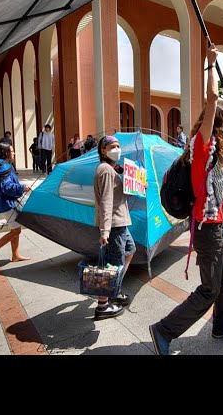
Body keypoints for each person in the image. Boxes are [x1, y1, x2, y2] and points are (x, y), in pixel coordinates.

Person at [149, 41, 223, 355]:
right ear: (215, 124)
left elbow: (219, 189)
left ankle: (222, 326)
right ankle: (164, 330)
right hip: (208, 231)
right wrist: (210, 63)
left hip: (214, 226)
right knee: (209, 289)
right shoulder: (202, 145)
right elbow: (213, 97)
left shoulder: (215, 158)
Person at [91, 135, 140, 320]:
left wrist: (134, 185)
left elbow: (118, 195)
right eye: (113, 146)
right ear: (103, 150)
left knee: (129, 251)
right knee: (113, 264)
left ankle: (115, 290)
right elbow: (106, 201)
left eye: (119, 145)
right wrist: (105, 231)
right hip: (113, 225)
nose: (117, 149)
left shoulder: (112, 169)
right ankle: (103, 305)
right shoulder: (105, 170)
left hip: (121, 222)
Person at [0, 143, 31, 265]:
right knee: (16, 231)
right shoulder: (3, 166)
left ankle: (15, 255)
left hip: (1, 202)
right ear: (5, 153)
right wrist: (22, 187)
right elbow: (6, 186)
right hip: (6, 203)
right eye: (12, 151)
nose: (14, 153)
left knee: (15, 228)